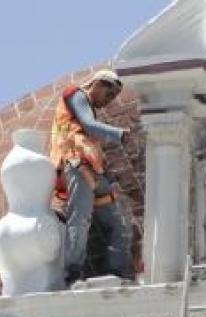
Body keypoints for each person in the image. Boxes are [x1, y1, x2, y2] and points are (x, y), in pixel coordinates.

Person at [49, 68, 135, 287]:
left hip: (93, 170)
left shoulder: (87, 104)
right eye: (108, 95)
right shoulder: (74, 94)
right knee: (80, 217)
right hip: (77, 163)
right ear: (98, 84)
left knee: (115, 221)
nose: (108, 102)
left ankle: (119, 270)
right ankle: (73, 272)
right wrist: (119, 134)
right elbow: (88, 125)